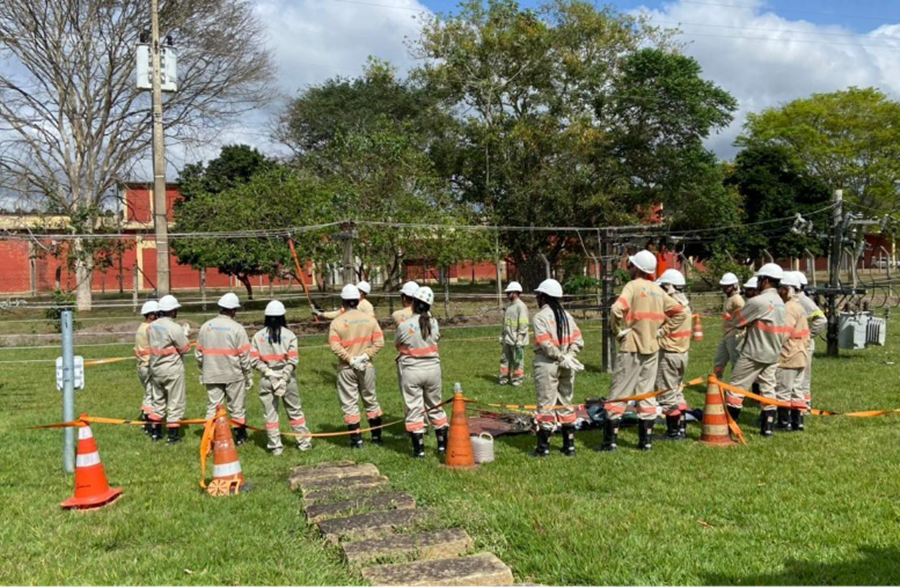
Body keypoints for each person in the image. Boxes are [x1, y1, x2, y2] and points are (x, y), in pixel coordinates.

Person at [602, 250, 687, 452]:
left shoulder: (632, 286)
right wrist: (661, 331)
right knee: (646, 394)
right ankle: (645, 442)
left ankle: (610, 442)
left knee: (619, 394)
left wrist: (618, 331)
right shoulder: (657, 290)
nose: (629, 268)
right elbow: (680, 313)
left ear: (637, 268)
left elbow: (616, 310)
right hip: (652, 348)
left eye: (631, 265)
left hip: (632, 348)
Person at [726, 263, 789, 437]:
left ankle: (730, 427)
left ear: (766, 280)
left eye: (760, 280)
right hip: (772, 353)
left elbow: (737, 321)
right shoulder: (780, 303)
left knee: (735, 389)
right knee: (768, 389)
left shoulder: (758, 301)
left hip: (754, 353)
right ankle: (767, 428)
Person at [250, 300, 312, 455]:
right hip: (287, 378)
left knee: (270, 414)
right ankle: (304, 443)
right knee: (294, 411)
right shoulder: (290, 335)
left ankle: (275, 446)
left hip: (266, 378)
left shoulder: (258, 337)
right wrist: (283, 379)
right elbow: (292, 360)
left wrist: (270, 375)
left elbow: (254, 360)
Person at [531, 279, 584, 457]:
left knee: (546, 404)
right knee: (566, 403)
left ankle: (543, 448)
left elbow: (545, 344)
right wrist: (569, 356)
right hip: (566, 365)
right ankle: (569, 446)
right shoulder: (567, 316)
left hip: (547, 364)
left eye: (538, 296)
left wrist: (561, 356)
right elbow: (579, 340)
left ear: (544, 297)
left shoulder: (540, 318)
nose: (537, 299)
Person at [328, 284, 385, 448]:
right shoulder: (370, 320)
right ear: (357, 300)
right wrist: (365, 356)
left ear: (343, 301)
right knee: (371, 400)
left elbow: (335, 346)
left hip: (346, 368)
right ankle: (376, 438)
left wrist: (350, 359)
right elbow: (380, 342)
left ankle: (357, 441)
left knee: (349, 403)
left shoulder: (337, 322)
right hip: (366, 366)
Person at [395, 286, 449, 457]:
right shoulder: (434, 324)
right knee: (435, 406)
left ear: (413, 303)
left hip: (412, 370)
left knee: (414, 408)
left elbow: (397, 344)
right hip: (433, 370)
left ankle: (419, 450)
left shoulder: (405, 325)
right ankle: (442, 446)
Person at [196, 293, 253, 445]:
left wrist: (203, 371)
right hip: (233, 374)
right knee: (237, 407)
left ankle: (210, 438)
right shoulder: (237, 328)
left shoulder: (206, 327)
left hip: (212, 373)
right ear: (233, 310)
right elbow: (245, 356)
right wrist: (248, 375)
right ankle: (240, 438)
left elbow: (199, 353)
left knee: (213, 407)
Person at [147, 295, 191, 444]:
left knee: (157, 401)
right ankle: (173, 437)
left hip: (156, 369)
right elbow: (185, 348)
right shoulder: (174, 327)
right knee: (175, 402)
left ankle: (155, 434)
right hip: (172, 370)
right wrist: (185, 335)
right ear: (172, 311)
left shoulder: (152, 326)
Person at [655, 270, 692, 441]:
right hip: (682, 354)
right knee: (677, 391)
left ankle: (673, 432)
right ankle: (681, 428)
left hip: (668, 354)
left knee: (666, 393)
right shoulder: (685, 304)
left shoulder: (672, 307)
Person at [774, 272, 810, 433]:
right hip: (801, 354)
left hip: (789, 355)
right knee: (797, 391)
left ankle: (784, 422)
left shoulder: (788, 308)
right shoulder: (799, 306)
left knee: (783, 390)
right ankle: (798, 423)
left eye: (779, 288)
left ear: (786, 290)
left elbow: (783, 334)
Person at [794, 271, 826, 417]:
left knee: (803, 377)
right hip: (797, 343)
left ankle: (804, 407)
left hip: (804, 343)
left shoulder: (803, 300)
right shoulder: (795, 300)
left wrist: (807, 335)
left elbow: (821, 319)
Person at [713, 272, 744, 380]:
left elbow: (743, 317)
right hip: (726, 335)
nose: (725, 288)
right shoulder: (728, 298)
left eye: (728, 286)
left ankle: (737, 389)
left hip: (734, 335)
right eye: (724, 286)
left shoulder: (737, 299)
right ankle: (716, 387)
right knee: (719, 361)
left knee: (736, 362)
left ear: (735, 285)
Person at [135, 300, 159, 435]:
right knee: (151, 395)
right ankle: (149, 423)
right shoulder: (150, 329)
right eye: (157, 314)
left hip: (141, 366)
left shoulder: (140, 327)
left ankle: (146, 420)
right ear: (151, 315)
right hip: (148, 365)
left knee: (148, 393)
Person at [499, 281, 529, 387]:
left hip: (517, 340)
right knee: (504, 360)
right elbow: (505, 323)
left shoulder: (521, 306)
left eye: (509, 293)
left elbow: (524, 324)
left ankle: (517, 380)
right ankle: (504, 379)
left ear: (515, 293)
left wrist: (520, 338)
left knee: (518, 361)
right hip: (507, 338)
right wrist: (502, 336)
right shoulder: (509, 306)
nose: (507, 295)